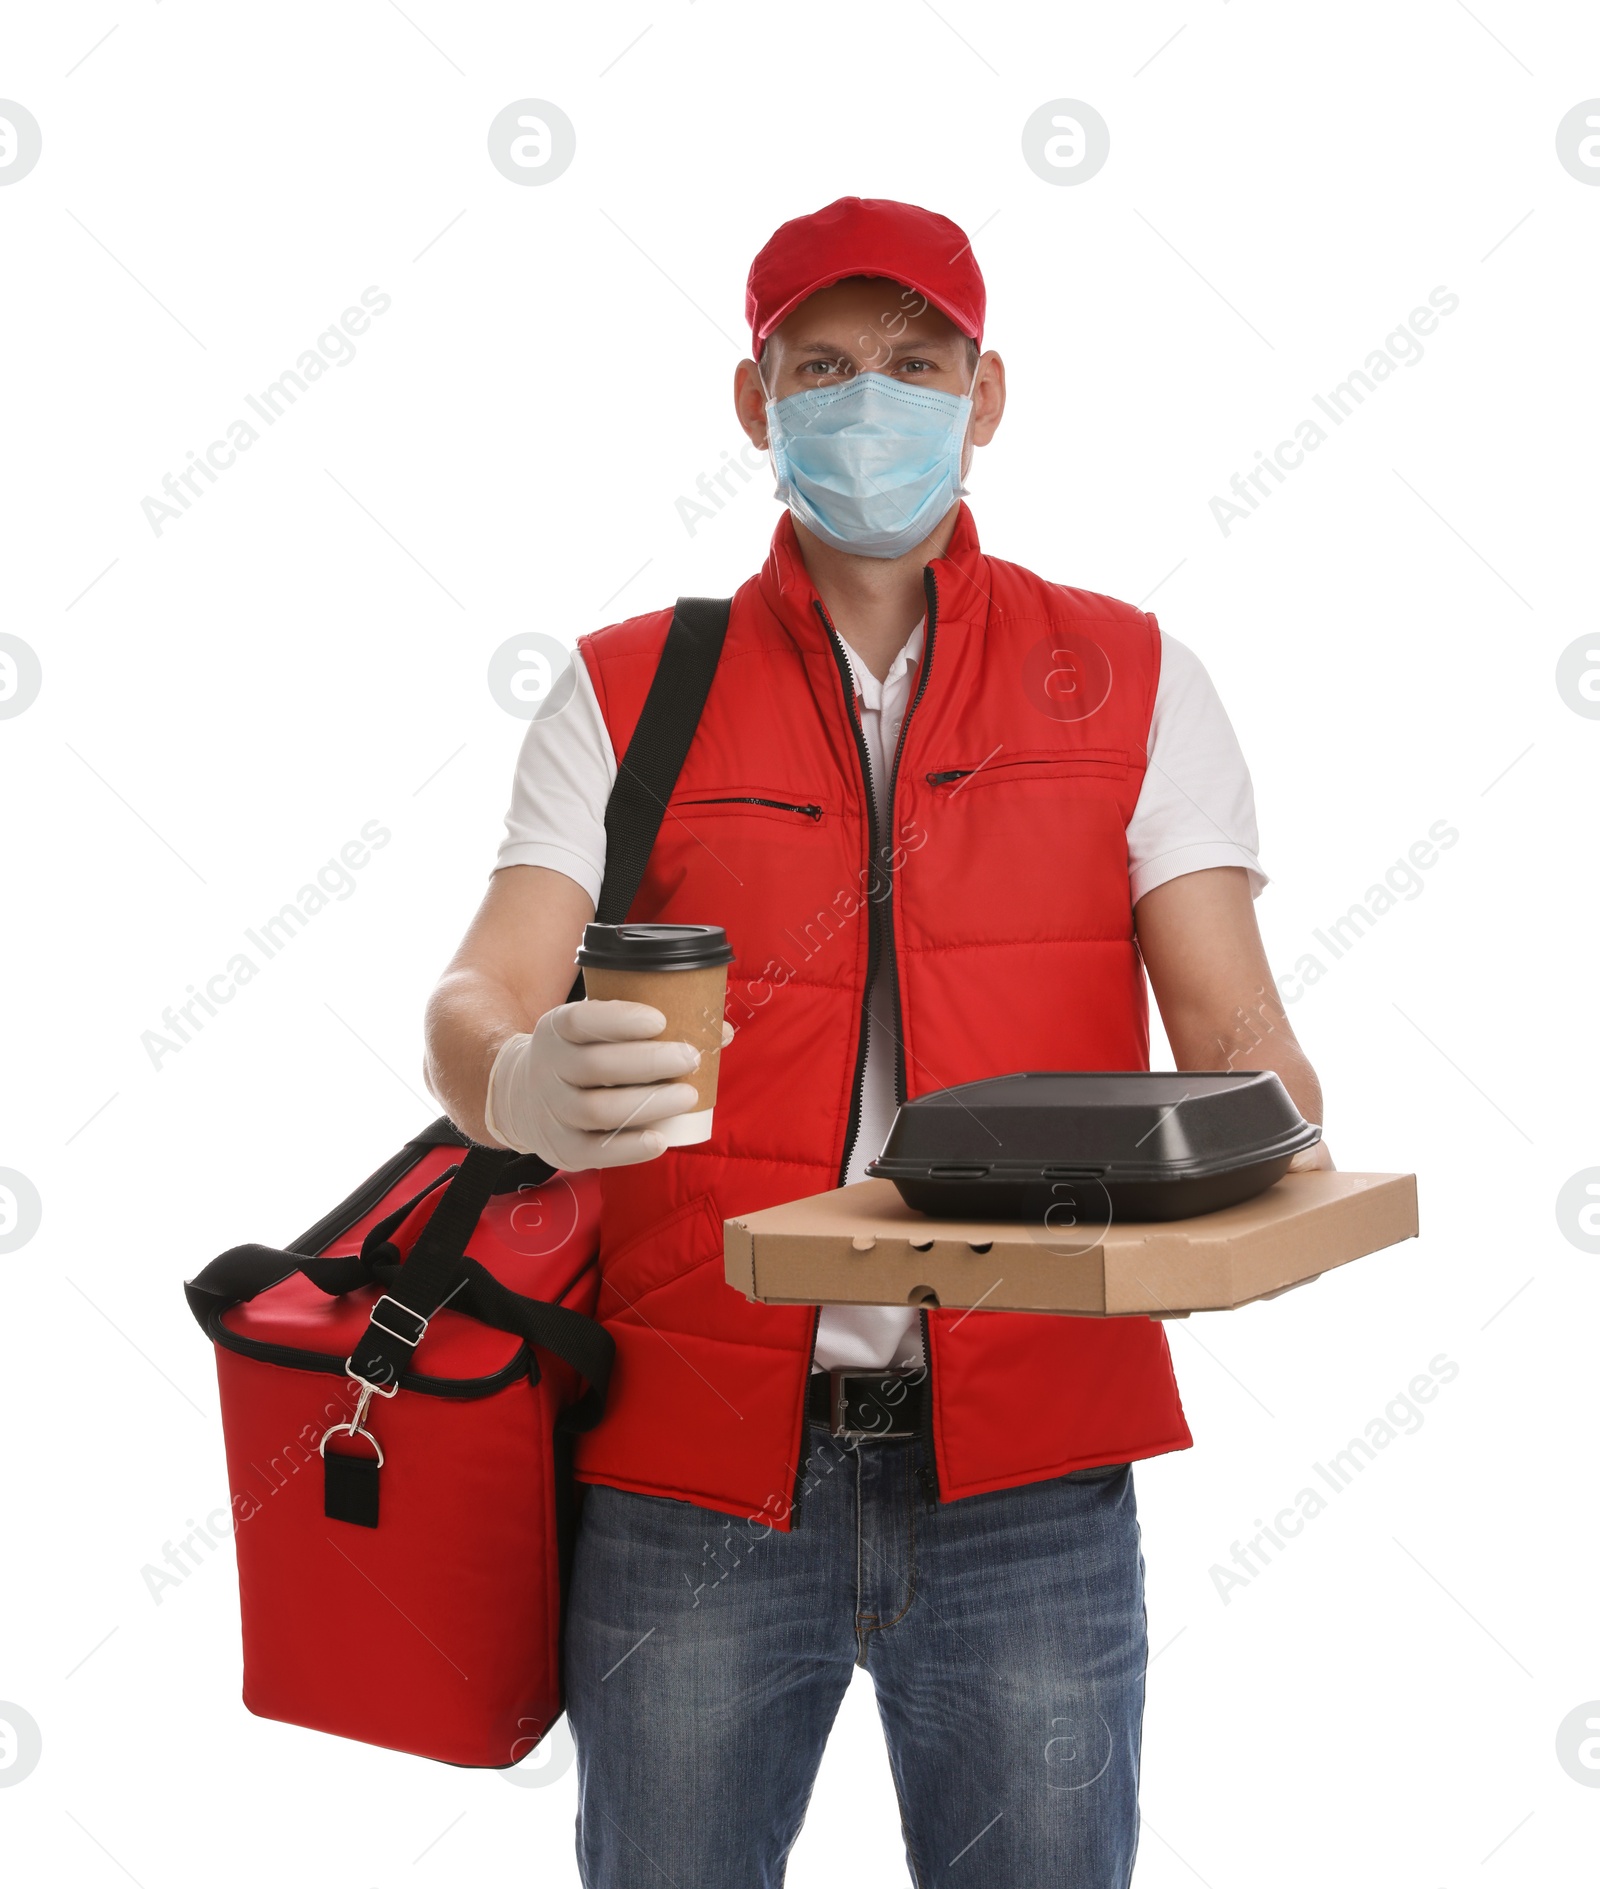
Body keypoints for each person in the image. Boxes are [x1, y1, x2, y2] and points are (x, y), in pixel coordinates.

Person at [424, 195, 1332, 1889]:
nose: (869, 403)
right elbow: (476, 996)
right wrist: (512, 1076)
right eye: (823, 365)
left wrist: (1268, 1144)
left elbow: (1243, 1034)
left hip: (1034, 1481)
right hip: (690, 1479)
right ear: (755, 398)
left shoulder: (1130, 679)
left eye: (916, 364)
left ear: (987, 395)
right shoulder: (634, 689)